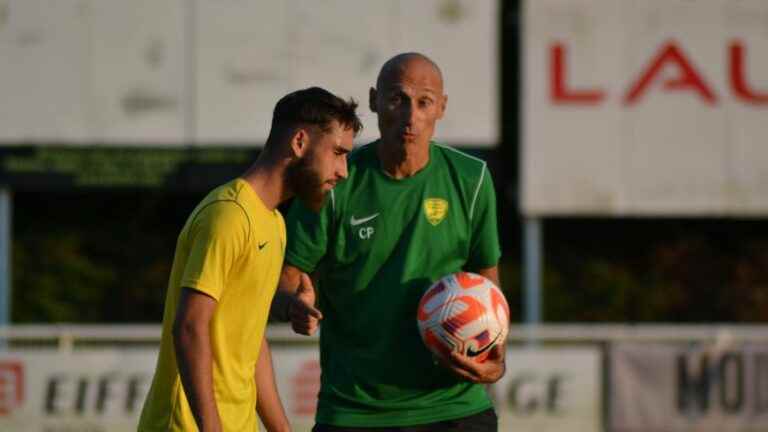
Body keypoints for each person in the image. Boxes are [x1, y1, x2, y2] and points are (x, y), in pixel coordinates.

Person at [274, 53, 506, 431]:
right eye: (398, 99)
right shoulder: (334, 181)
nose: (411, 115)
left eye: (424, 102)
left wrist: (496, 353)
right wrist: (291, 304)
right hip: (355, 410)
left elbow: (486, 279)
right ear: (374, 101)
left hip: (455, 408)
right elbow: (285, 277)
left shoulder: (472, 178)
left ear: (441, 108)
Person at [138, 87, 363, 432]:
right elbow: (189, 327)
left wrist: (281, 429)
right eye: (337, 153)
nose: (343, 170)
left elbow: (251, 338)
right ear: (300, 142)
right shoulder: (228, 215)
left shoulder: (273, 223)